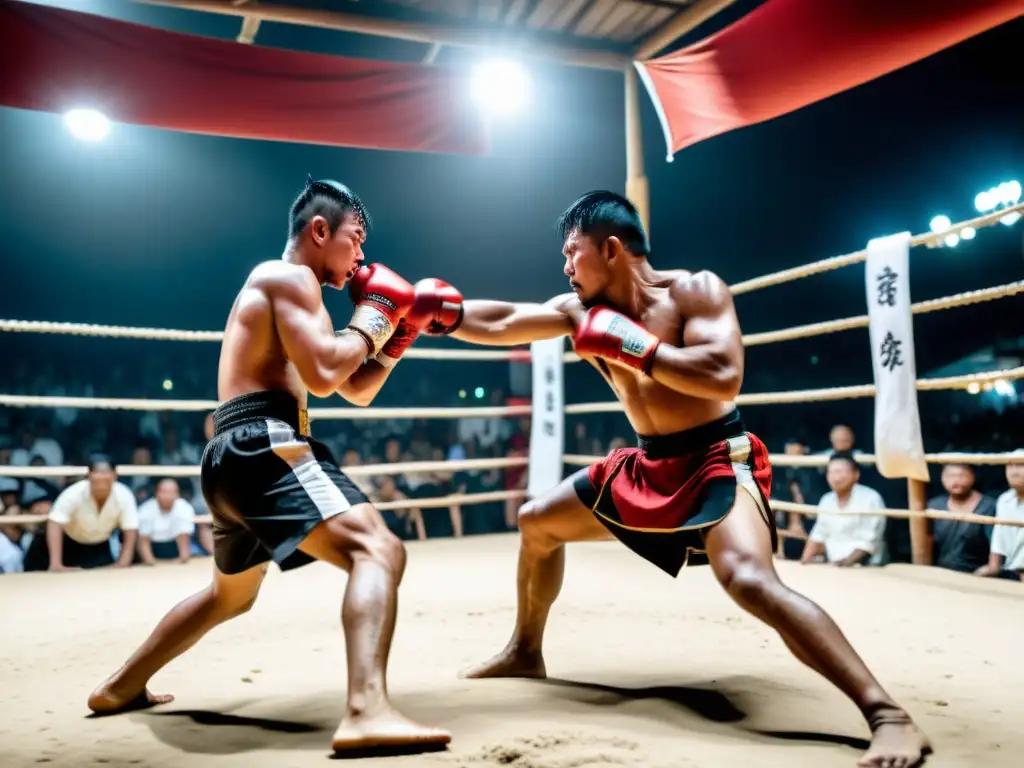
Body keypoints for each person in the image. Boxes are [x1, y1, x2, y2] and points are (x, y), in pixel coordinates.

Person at [433, 191, 931, 767]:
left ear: (611, 248)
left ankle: (887, 714)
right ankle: (524, 650)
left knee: (748, 578)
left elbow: (723, 375)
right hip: (647, 465)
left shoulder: (696, 291)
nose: (565, 268)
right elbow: (502, 320)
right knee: (536, 522)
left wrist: (635, 345)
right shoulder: (577, 313)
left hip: (716, 458)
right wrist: (433, 314)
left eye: (573, 254)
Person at [87, 177, 461, 754]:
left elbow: (353, 388)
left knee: (228, 596)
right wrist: (379, 311)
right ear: (319, 230)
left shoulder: (285, 289)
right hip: (264, 444)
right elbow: (324, 374)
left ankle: (119, 687)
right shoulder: (286, 276)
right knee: (379, 549)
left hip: (234, 453)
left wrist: (395, 337)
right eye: (355, 240)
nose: (361, 256)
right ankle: (367, 711)